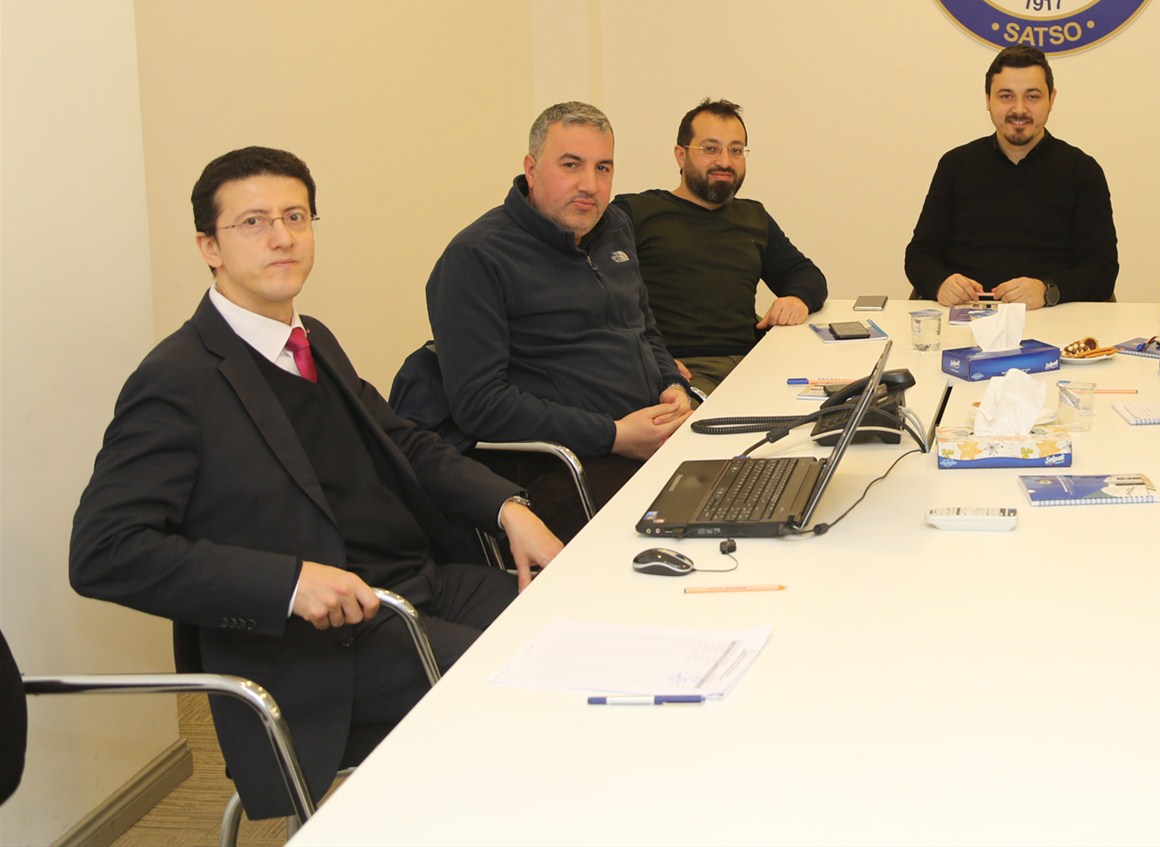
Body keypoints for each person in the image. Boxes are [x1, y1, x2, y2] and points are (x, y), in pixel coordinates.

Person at [69, 147, 562, 819]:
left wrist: (507, 507)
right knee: (527, 687)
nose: (281, 236)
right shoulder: (177, 380)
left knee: (573, 623)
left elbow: (403, 441)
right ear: (209, 247)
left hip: (416, 583)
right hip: (322, 646)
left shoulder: (313, 339)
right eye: (253, 222)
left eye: (295, 216)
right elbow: (104, 551)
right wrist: (289, 583)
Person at [425, 102, 693, 538]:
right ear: (531, 170)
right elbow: (480, 405)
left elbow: (644, 327)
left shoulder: (615, 227)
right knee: (694, 535)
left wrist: (672, 384)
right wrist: (614, 435)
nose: (590, 184)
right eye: (571, 165)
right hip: (565, 463)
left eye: (603, 168)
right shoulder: (477, 257)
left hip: (650, 435)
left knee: (756, 489)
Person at [613, 98, 827, 395]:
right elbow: (600, 300)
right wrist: (651, 358)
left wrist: (797, 299)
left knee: (841, 406)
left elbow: (806, 274)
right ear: (681, 155)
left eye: (736, 150)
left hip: (754, 364)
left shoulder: (753, 216)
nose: (725, 161)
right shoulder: (634, 213)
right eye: (710, 149)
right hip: (680, 370)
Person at [904, 45, 1119, 307]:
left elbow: (1102, 269)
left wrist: (1048, 291)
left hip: (1051, 316)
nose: (1019, 109)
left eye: (1032, 97)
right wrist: (941, 283)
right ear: (987, 100)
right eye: (1006, 96)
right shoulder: (955, 165)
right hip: (965, 315)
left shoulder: (1082, 171)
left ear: (1051, 100)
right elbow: (920, 254)